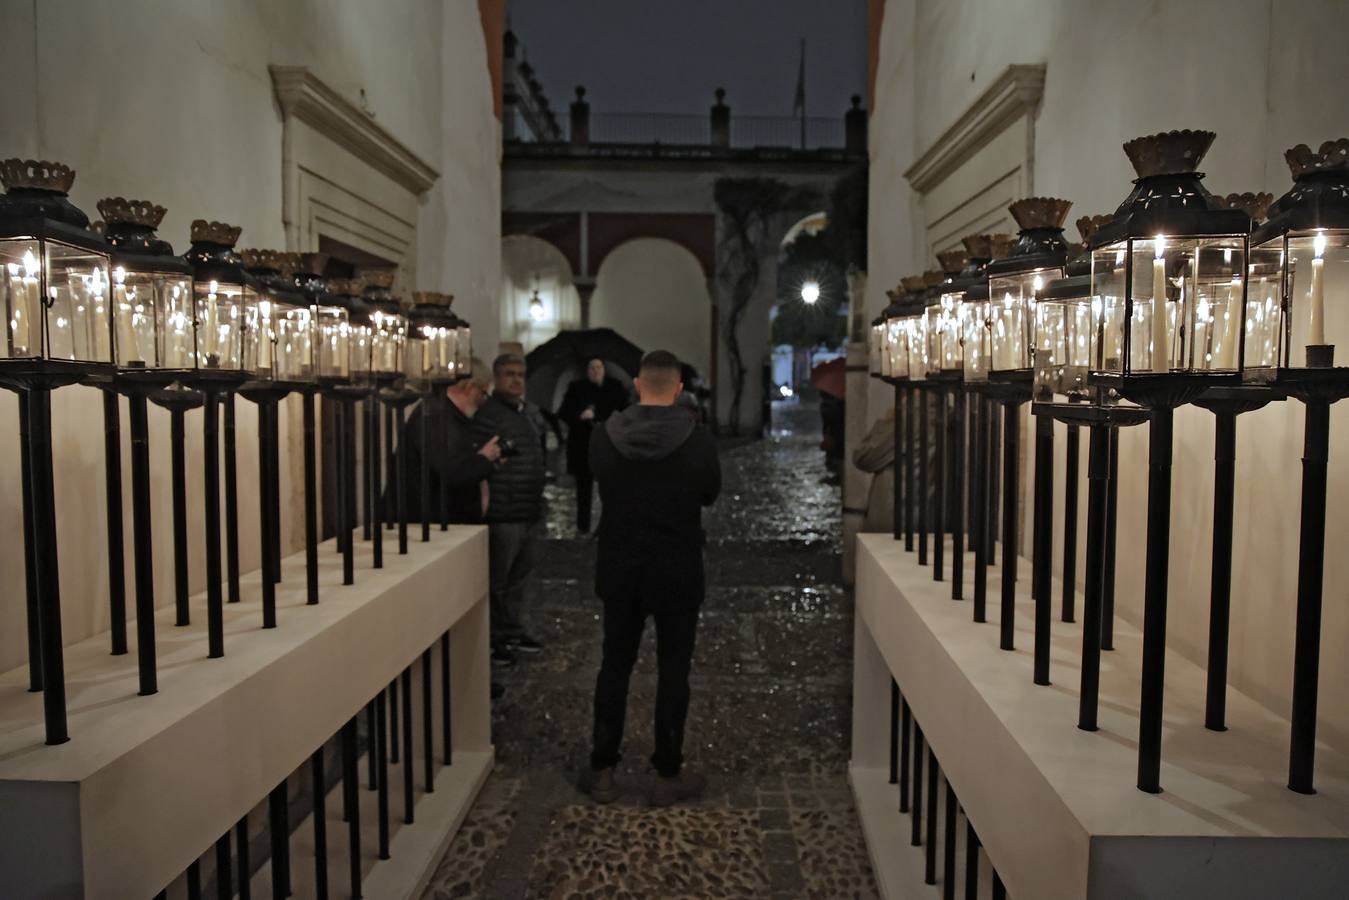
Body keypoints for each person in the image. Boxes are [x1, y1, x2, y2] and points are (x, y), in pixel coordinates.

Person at [580, 350, 721, 807]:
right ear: (678, 389)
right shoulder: (696, 440)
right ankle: (666, 773)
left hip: (620, 564)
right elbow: (710, 493)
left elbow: (597, 475)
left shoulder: (606, 436)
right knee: (673, 670)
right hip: (676, 566)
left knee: (614, 665)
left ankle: (603, 769)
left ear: (638, 384)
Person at [398, 357, 507, 699]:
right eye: (484, 392)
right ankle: (448, 685)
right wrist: (485, 459)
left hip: (448, 528)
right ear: (469, 387)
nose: (484, 400)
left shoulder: (446, 418)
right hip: (431, 529)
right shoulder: (436, 417)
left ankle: (462, 681)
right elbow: (451, 473)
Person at [473, 352, 548, 665]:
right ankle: (494, 639)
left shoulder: (527, 413)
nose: (516, 380)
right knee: (497, 581)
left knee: (519, 579)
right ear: (496, 377)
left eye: (520, 374)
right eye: (509, 374)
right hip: (504, 512)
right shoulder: (488, 414)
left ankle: (512, 630)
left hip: (528, 508)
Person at [557, 357, 629, 533]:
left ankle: (608, 525)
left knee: (611, 488)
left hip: (609, 444)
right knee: (584, 488)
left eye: (599, 367)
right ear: (587, 371)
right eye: (592, 368)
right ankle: (584, 526)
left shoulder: (615, 388)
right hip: (583, 446)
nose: (596, 371)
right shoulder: (576, 388)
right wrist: (580, 415)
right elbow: (564, 412)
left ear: (604, 369)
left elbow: (625, 412)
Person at [853, 406, 895, 533]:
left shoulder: (906, 418)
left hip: (893, 517)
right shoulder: (948, 416)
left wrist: (887, 422)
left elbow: (863, 457)